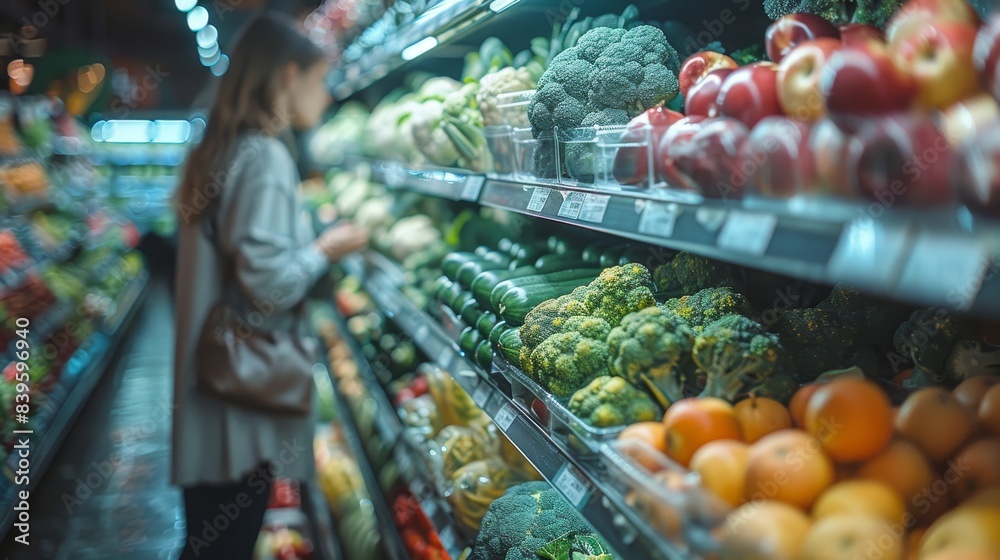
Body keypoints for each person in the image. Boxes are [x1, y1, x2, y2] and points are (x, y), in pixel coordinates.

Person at [171, 13, 367, 560]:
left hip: (212, 392)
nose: (325, 97)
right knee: (224, 543)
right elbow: (269, 288)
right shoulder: (265, 156)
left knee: (207, 540)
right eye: (319, 80)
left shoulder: (222, 148)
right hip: (240, 406)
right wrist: (325, 249)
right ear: (287, 75)